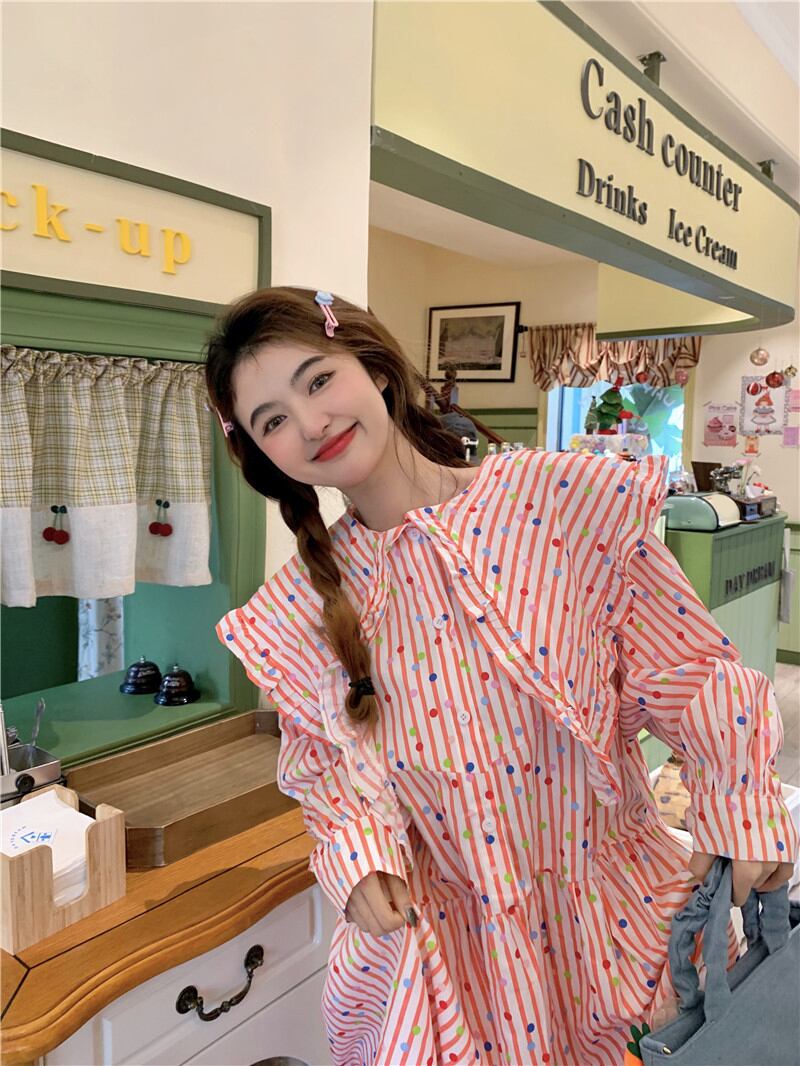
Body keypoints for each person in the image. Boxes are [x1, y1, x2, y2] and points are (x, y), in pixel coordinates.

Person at [206, 286, 797, 1066]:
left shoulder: (556, 505)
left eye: (319, 380)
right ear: (261, 453)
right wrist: (356, 859)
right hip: (454, 963)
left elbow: (691, 672)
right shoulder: (303, 610)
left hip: (611, 923)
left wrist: (740, 801)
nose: (311, 422)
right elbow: (325, 770)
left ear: (373, 366)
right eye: (272, 420)